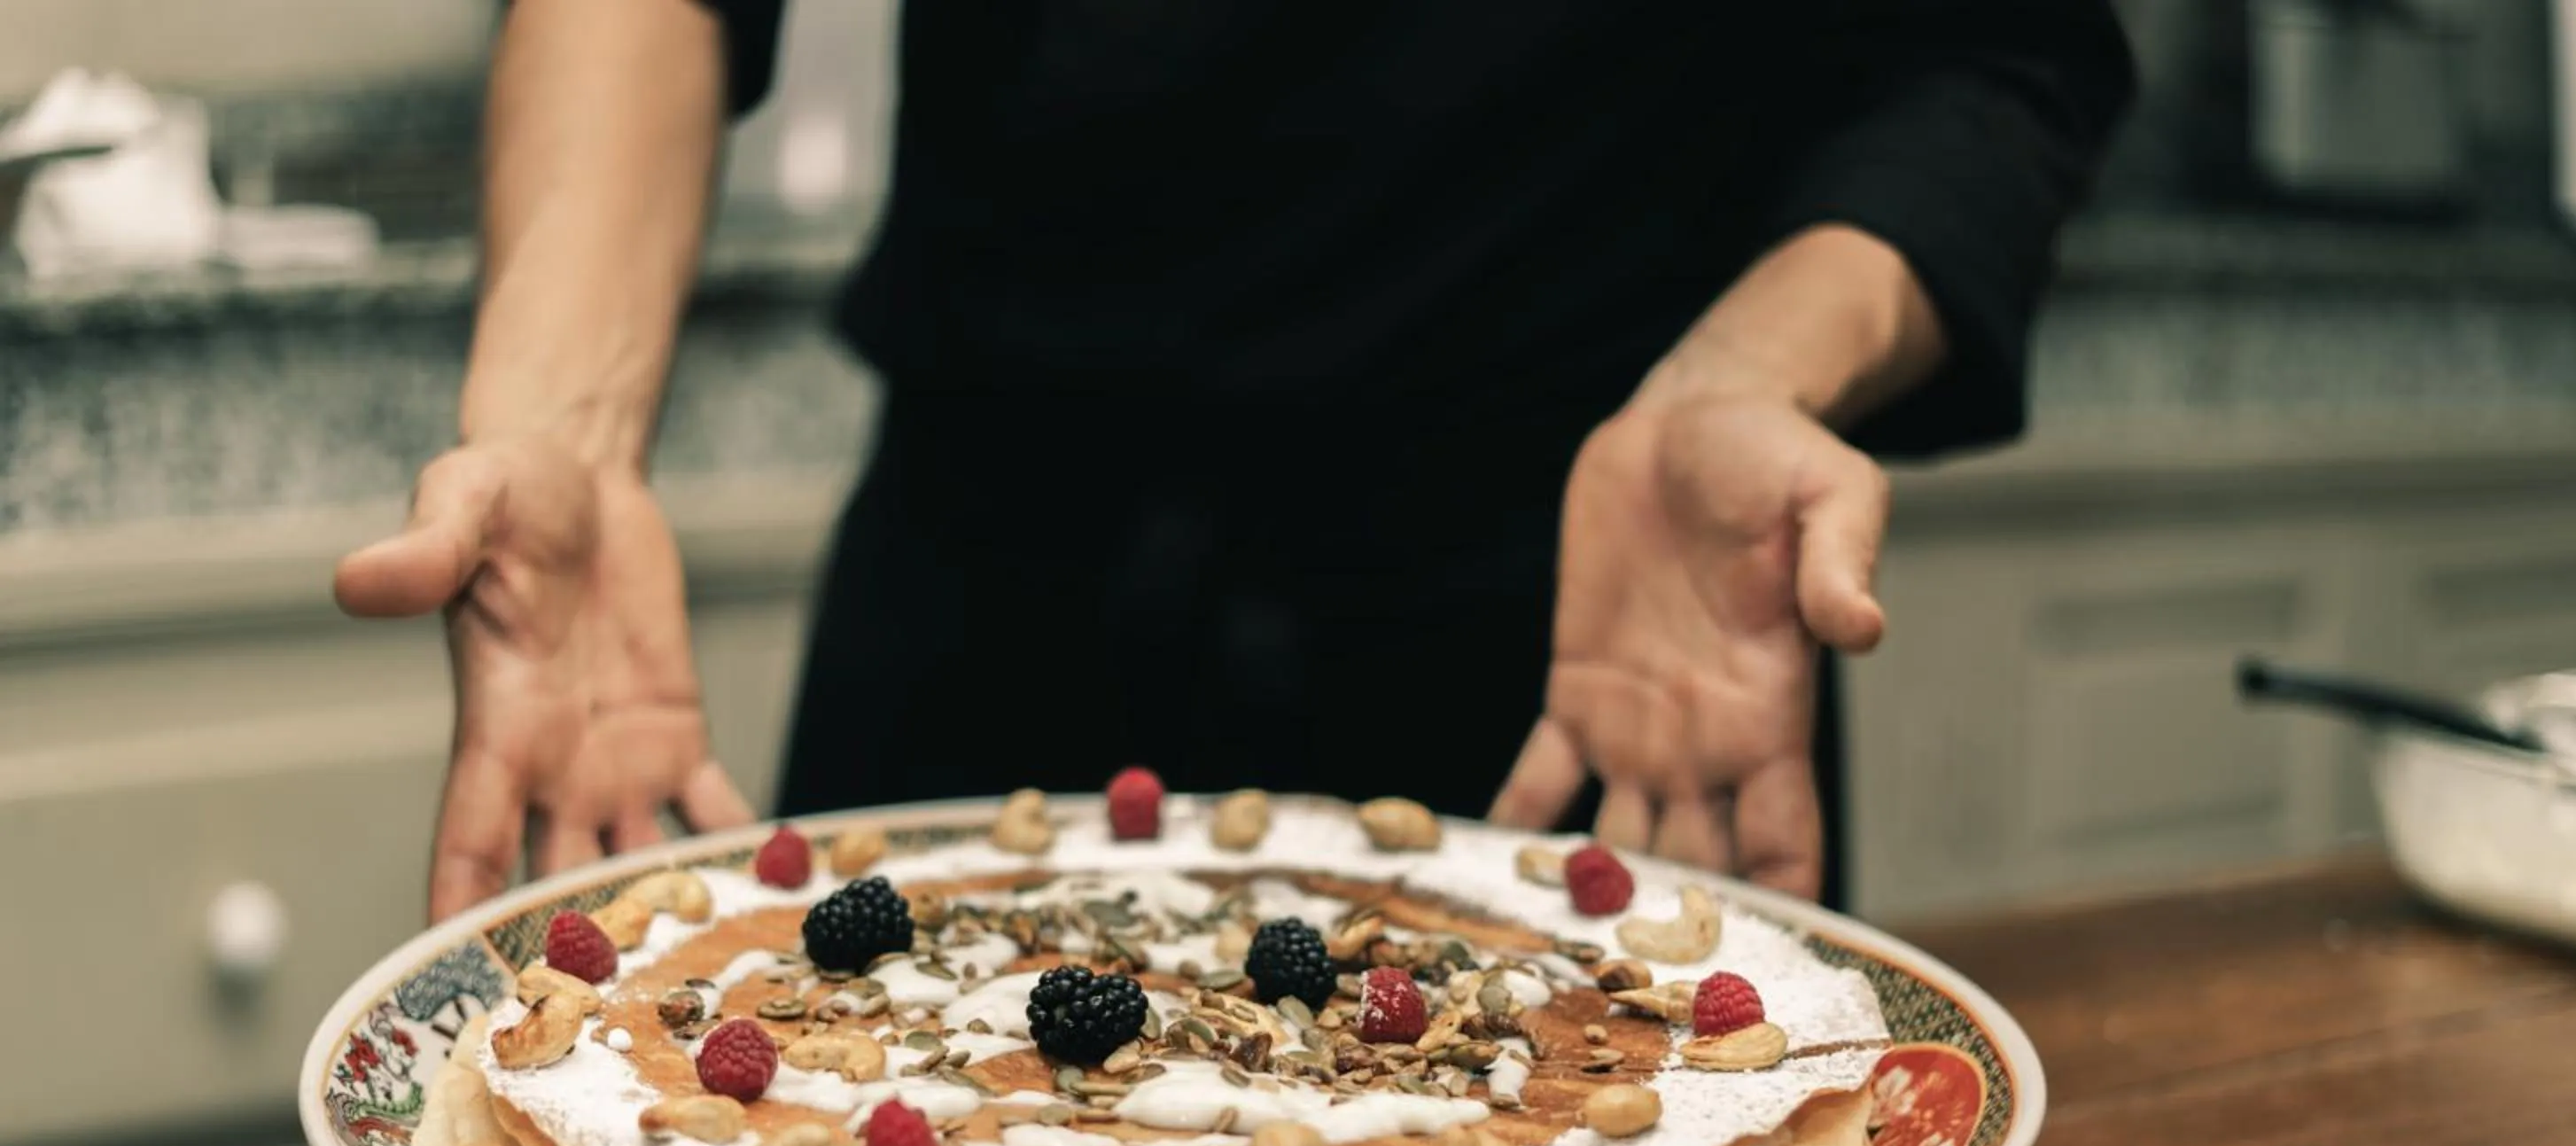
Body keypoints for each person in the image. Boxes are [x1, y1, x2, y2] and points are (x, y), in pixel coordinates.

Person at [335, 0, 2132, 924]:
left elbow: (1992, 51)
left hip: (1589, 634)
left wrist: (1751, 375)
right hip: (999, 589)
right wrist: (564, 429)